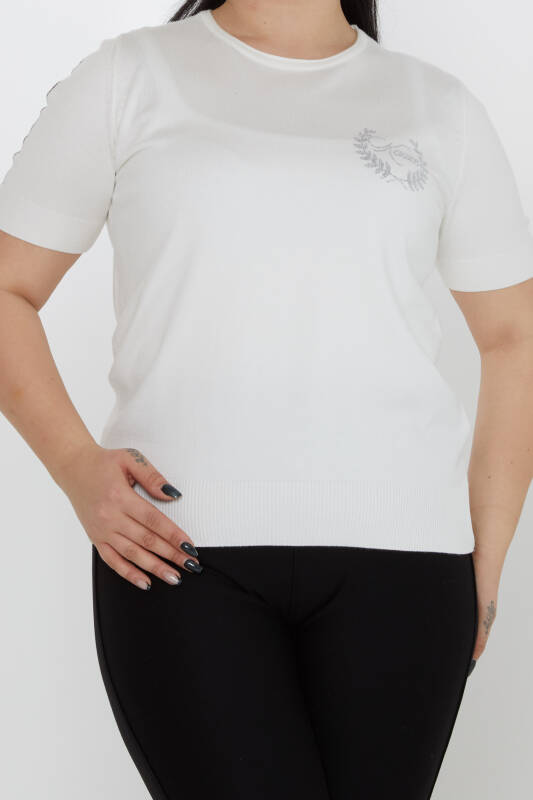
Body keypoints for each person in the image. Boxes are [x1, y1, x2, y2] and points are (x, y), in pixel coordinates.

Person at [0, 1, 532, 797]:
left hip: (407, 563)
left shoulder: (437, 106)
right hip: (178, 551)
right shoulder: (128, 77)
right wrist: (78, 467)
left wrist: (486, 555)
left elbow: (514, 336)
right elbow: (7, 288)